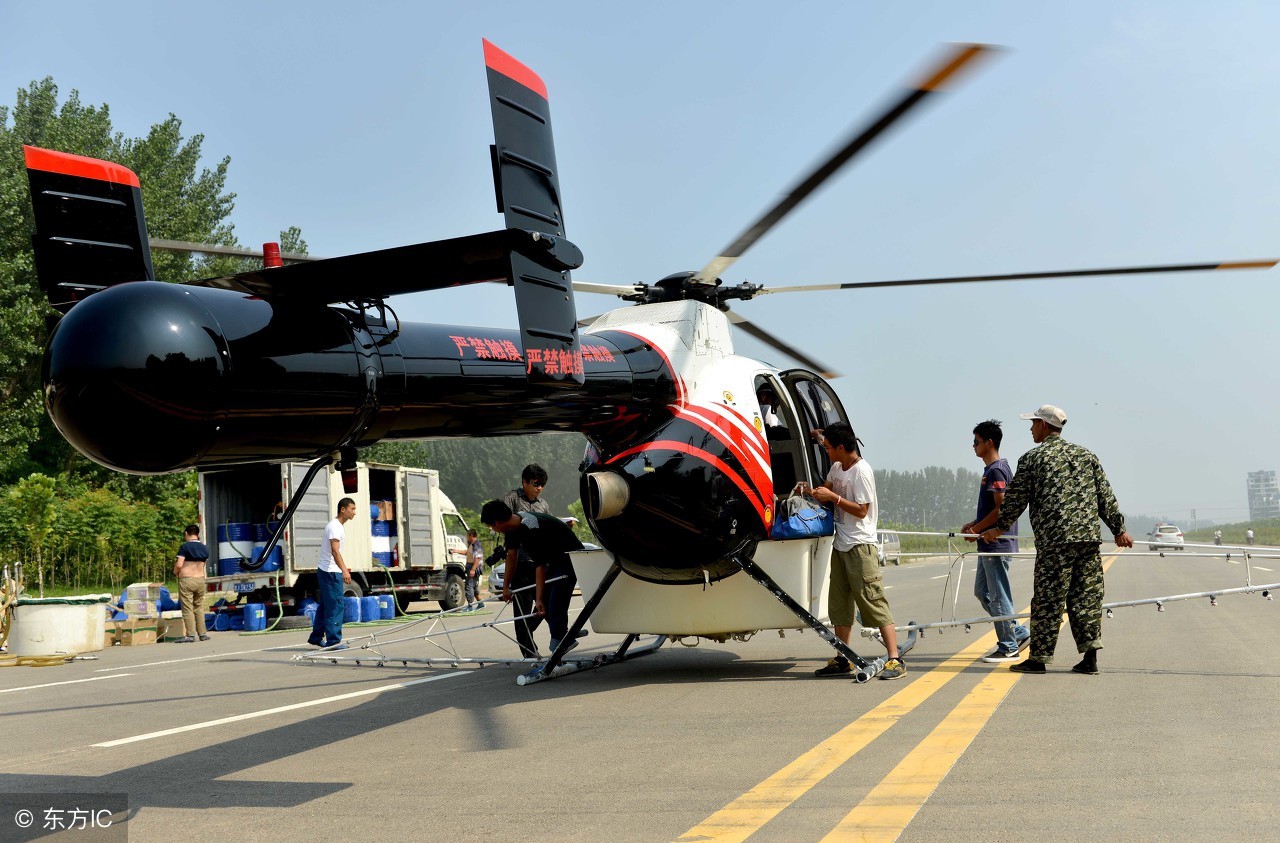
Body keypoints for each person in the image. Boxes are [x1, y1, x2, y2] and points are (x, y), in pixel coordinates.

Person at [982, 405, 1133, 676]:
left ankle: (1038, 659)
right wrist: (1119, 529)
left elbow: (1015, 500)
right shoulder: (1086, 456)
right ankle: (1090, 660)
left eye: (1033, 423)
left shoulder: (1032, 459)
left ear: (1043, 425)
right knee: (1086, 599)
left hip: (1056, 541)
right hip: (1087, 539)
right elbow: (1105, 497)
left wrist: (998, 529)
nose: (1030, 429)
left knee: (1048, 600)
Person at [799, 422, 905, 681]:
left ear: (842, 447)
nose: (827, 452)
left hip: (861, 546)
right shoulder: (837, 468)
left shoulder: (862, 472)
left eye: (828, 448)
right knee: (839, 604)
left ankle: (895, 658)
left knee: (873, 599)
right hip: (841, 545)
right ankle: (842, 657)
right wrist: (810, 491)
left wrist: (833, 498)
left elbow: (861, 510)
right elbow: (825, 492)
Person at [960, 420, 1030, 664]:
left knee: (998, 596)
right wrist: (974, 525)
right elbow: (994, 508)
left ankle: (1008, 645)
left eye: (976, 442)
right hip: (988, 542)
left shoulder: (997, 470)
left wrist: (977, 529)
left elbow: (1002, 510)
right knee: (982, 592)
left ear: (989, 443)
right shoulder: (993, 470)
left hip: (996, 543)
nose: (974, 447)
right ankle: (1019, 632)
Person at [481, 500, 583, 658]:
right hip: (552, 559)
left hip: (570, 556)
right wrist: (506, 587)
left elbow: (540, 566)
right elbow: (511, 556)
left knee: (554, 601)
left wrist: (539, 598)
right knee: (546, 604)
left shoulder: (529, 528)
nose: (492, 530)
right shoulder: (512, 527)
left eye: (492, 526)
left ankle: (561, 639)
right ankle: (565, 634)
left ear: (498, 522)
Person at [308, 497, 356, 650]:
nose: (354, 512)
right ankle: (333, 642)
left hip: (327, 571)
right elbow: (335, 551)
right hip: (330, 571)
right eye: (352, 509)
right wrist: (344, 570)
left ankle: (316, 637)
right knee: (335, 606)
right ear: (343, 509)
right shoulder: (335, 527)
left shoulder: (338, 526)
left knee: (325, 606)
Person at [172, 524, 210, 643]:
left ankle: (190, 634)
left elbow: (179, 564)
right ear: (198, 535)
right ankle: (202, 634)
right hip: (200, 580)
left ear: (186, 534)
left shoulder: (184, 547)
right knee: (199, 607)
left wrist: (175, 572)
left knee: (187, 607)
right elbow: (203, 564)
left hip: (187, 580)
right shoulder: (204, 548)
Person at [465, 529, 485, 610]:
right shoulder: (472, 544)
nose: (466, 537)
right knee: (474, 586)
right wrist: (455, 551)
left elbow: (478, 558)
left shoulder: (477, 544)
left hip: (474, 567)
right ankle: (480, 603)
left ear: (471, 535)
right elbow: (467, 552)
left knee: (469, 586)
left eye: (467, 535)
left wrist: (473, 569)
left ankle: (470, 606)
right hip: (471, 566)